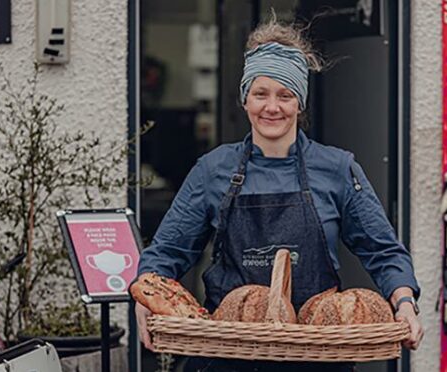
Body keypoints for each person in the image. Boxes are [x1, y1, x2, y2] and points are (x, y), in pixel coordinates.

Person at [135, 16, 423, 372]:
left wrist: (405, 302)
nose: (272, 107)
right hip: (228, 353)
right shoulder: (213, 170)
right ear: (244, 99)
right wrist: (145, 301)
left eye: (285, 95)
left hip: (316, 356)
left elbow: (383, 251)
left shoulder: (336, 169)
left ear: (300, 103)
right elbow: (168, 251)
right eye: (260, 93)